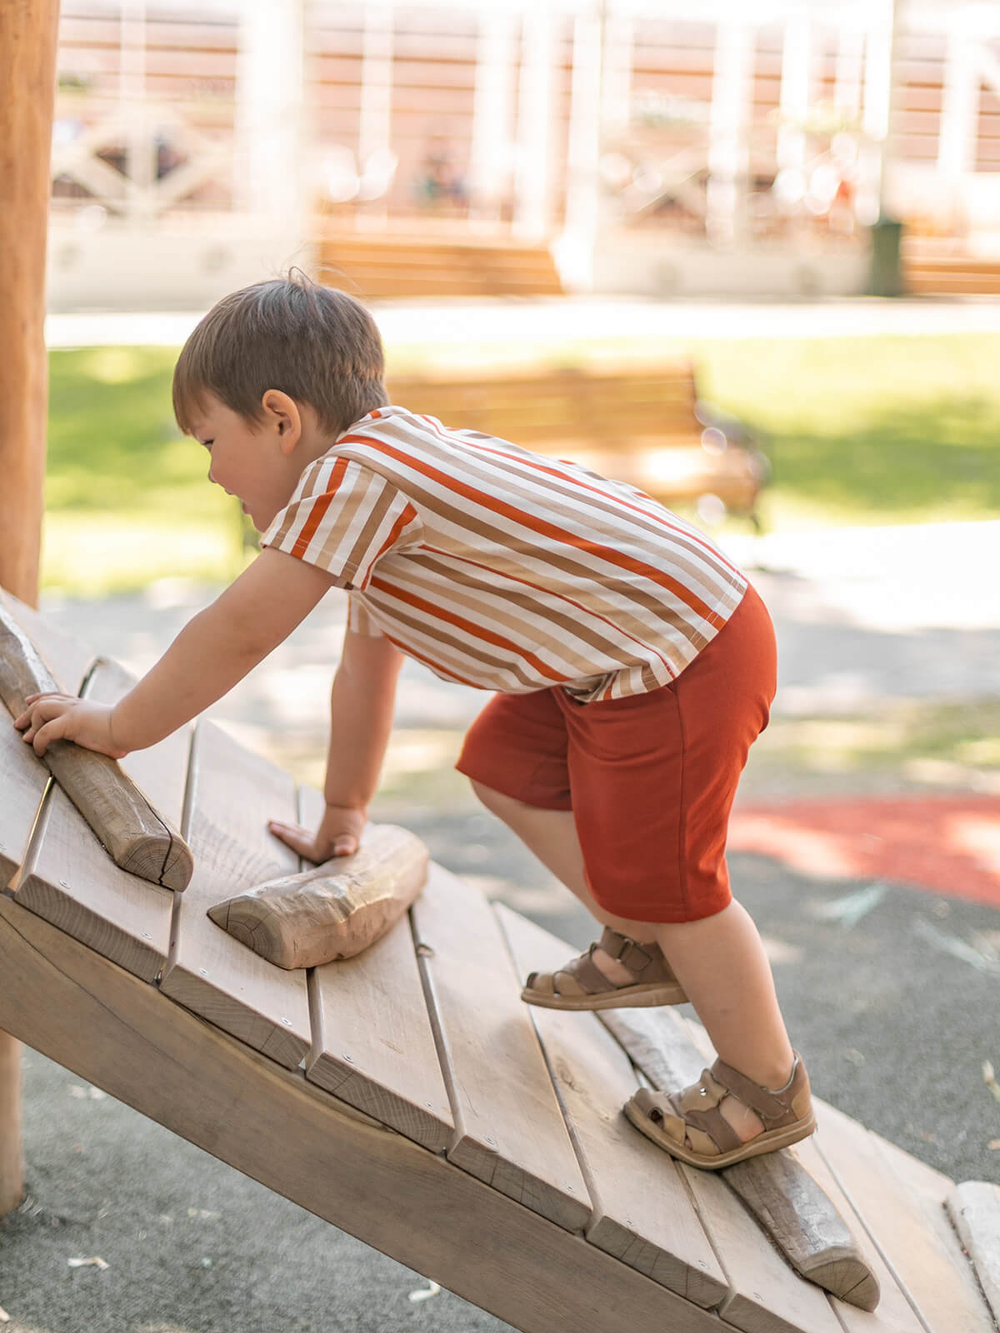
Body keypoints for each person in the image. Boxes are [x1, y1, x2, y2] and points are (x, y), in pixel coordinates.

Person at [15, 273, 814, 1171]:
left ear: (281, 419)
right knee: (507, 767)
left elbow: (239, 631)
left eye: (211, 442)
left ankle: (763, 1084)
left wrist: (120, 726)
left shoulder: (358, 478)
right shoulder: (381, 497)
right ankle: (641, 936)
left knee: (674, 881)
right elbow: (366, 670)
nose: (210, 472)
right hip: (626, 651)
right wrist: (345, 814)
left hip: (682, 653)